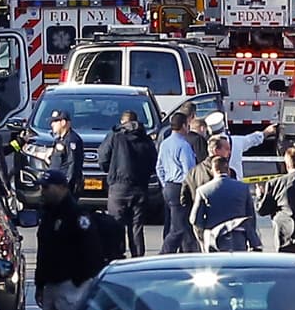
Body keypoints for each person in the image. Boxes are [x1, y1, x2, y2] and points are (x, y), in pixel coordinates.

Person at [34, 169, 106, 310]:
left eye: (46, 187)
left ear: (61, 187)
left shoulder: (76, 215)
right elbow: (43, 251)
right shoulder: (48, 214)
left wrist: (78, 281)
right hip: (51, 285)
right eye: (42, 188)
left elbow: (92, 250)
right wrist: (39, 284)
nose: (42, 192)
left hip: (71, 285)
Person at [97, 109, 158, 258]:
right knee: (136, 227)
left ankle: (117, 256)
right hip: (140, 188)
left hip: (119, 187)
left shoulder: (115, 136)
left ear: (123, 122)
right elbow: (153, 161)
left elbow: (103, 157)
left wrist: (110, 170)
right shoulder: (146, 138)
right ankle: (137, 258)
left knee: (116, 225)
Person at [192, 156, 262, 252]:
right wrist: (251, 238)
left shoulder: (203, 191)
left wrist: (204, 234)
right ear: (228, 170)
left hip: (213, 238)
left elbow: (195, 219)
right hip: (238, 237)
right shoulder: (243, 188)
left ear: (212, 170)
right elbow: (251, 216)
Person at [157, 112, 198, 254]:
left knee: (181, 225)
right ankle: (164, 254)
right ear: (183, 126)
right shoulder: (183, 145)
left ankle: (189, 253)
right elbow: (189, 171)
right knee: (179, 227)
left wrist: (165, 183)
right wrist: (191, 190)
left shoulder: (165, 143)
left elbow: (159, 167)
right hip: (180, 187)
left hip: (169, 186)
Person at [47, 109, 85, 195]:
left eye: (55, 121)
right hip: (55, 185)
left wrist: (66, 185)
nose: (52, 124)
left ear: (63, 122)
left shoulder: (72, 140)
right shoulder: (59, 140)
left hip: (63, 187)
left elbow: (73, 165)